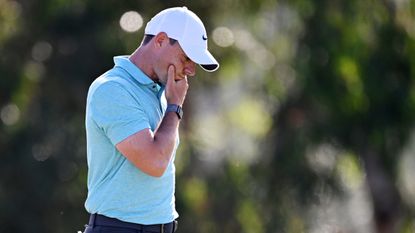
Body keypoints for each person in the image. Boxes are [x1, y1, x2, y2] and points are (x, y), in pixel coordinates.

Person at [82, 6, 219, 233]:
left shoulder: (162, 92)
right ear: (161, 40)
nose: (191, 70)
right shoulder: (113, 89)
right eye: (186, 57)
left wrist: (172, 105)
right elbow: (154, 163)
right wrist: (175, 107)